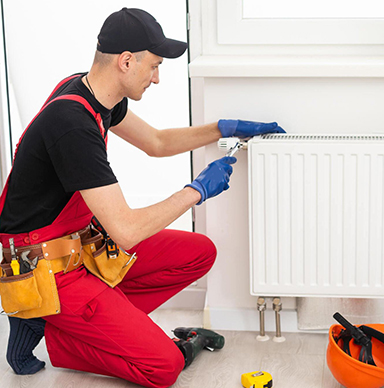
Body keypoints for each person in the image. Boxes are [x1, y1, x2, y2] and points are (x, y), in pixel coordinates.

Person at [0, 8, 284, 387]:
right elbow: (126, 231)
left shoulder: (96, 94)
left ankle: (84, 326)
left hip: (80, 244)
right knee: (164, 367)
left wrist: (222, 128)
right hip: (45, 266)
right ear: (126, 61)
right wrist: (196, 191)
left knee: (199, 252)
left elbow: (157, 142)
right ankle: (56, 334)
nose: (157, 77)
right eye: (153, 66)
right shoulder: (71, 124)